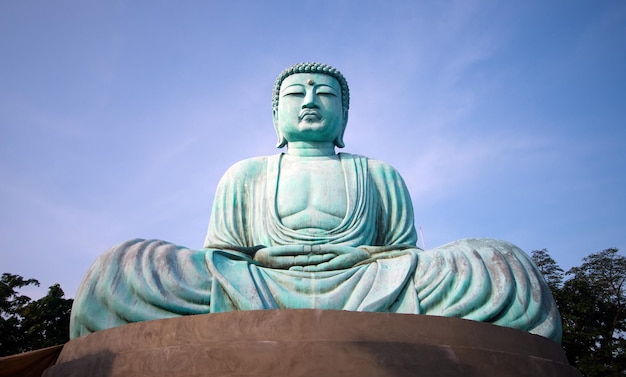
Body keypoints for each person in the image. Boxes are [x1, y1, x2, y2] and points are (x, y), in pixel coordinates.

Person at [70, 63, 561, 342]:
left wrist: (360, 256)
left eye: (324, 94)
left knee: (502, 264)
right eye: (295, 94)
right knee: (123, 266)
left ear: (343, 114)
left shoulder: (377, 172)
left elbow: (405, 253)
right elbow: (220, 255)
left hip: (367, 282)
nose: (309, 101)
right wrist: (259, 258)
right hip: (260, 283)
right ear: (277, 114)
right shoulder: (246, 173)